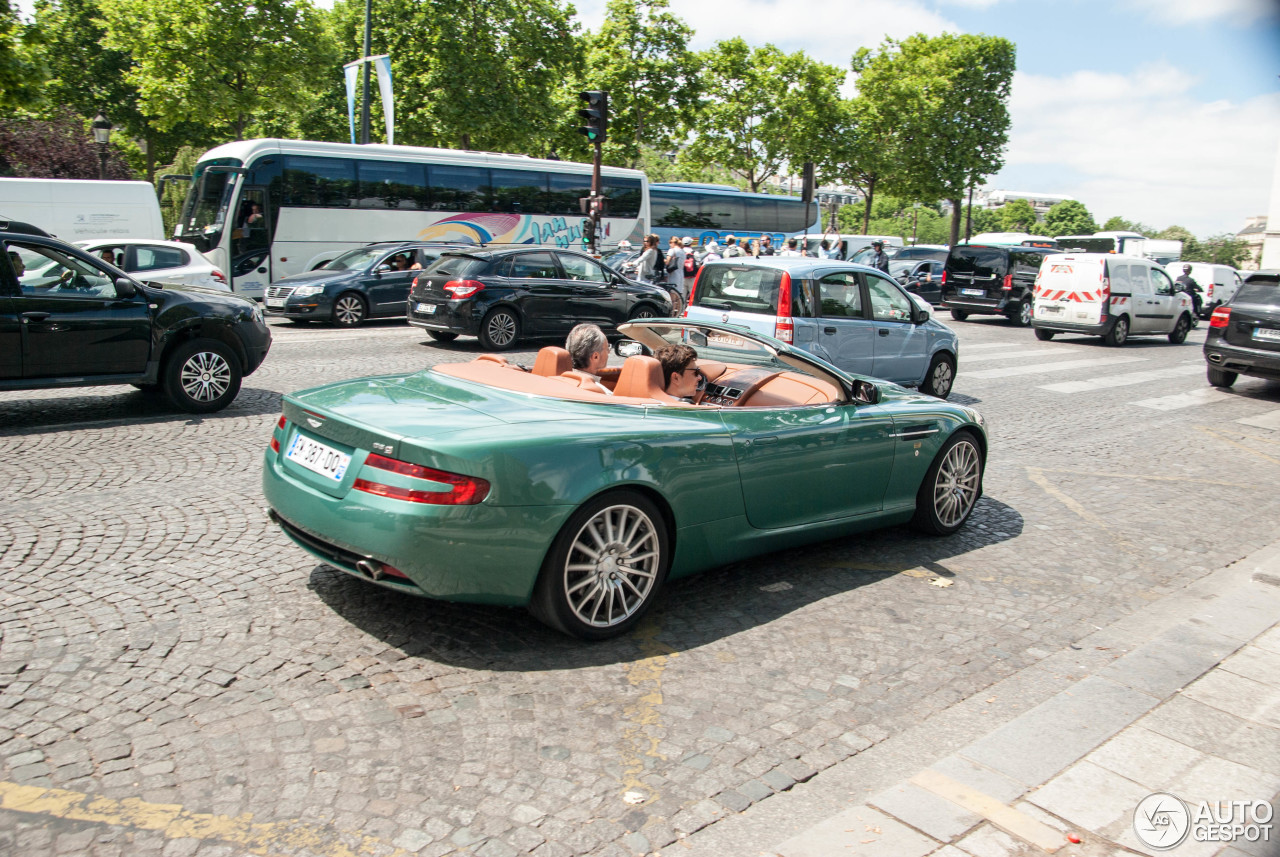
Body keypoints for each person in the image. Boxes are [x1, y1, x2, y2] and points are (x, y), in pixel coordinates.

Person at [565, 323, 612, 395]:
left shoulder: (558, 381)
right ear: (595, 357)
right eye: (607, 348)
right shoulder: (604, 394)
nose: (609, 352)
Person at [665, 236, 686, 300]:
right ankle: (678, 308)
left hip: (673, 273)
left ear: (672, 242)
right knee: (679, 293)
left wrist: (663, 260)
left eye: (670, 242)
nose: (669, 244)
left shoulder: (672, 250)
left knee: (672, 292)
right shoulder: (683, 251)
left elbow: (667, 262)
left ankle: (672, 308)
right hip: (681, 273)